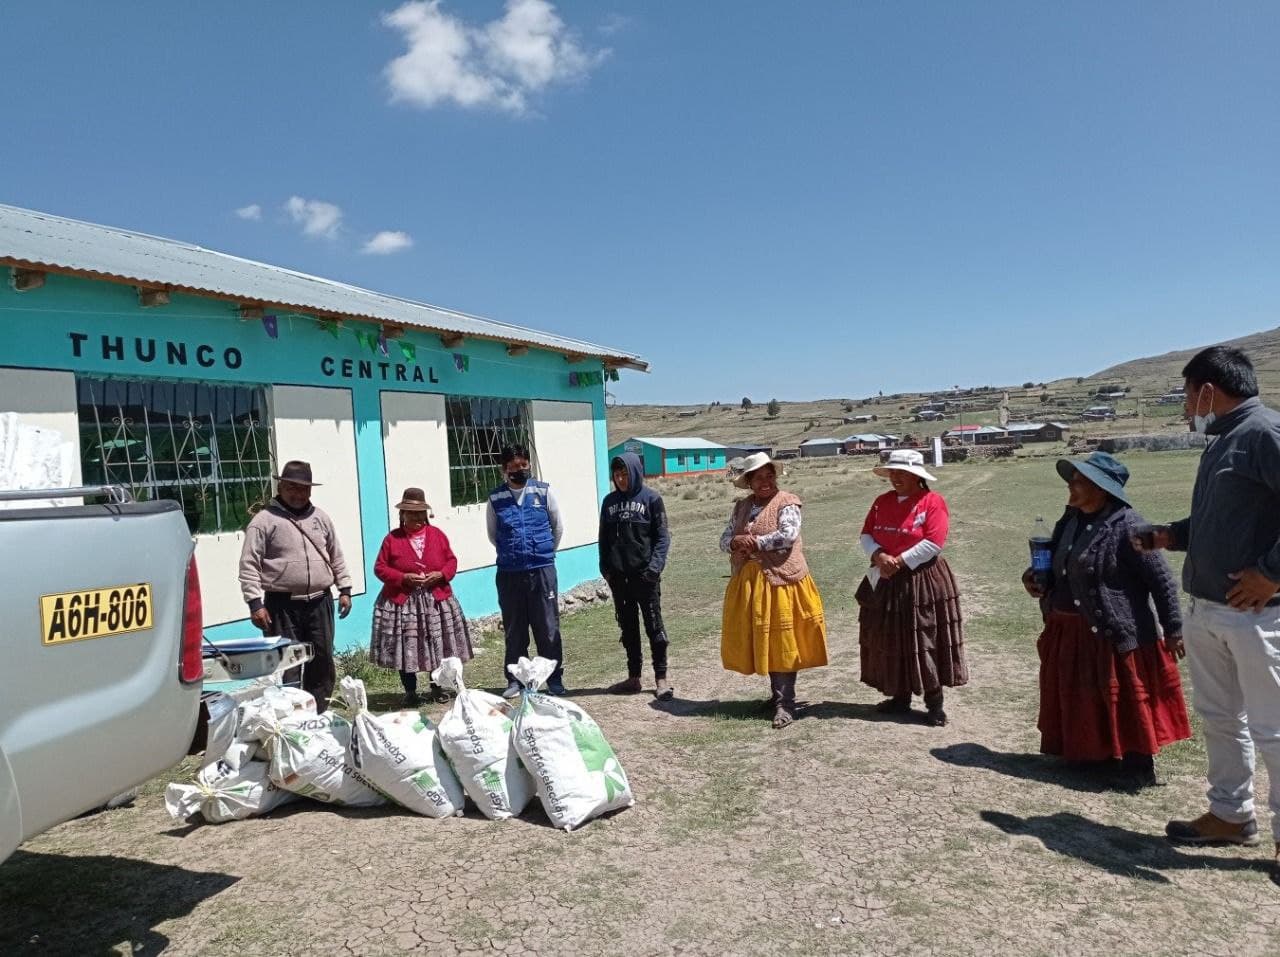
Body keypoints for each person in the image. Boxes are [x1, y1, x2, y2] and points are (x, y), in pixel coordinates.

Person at [1134, 346, 1280, 866]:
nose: (1184, 406)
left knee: (1273, 728)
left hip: (1259, 614)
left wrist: (1270, 573)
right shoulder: (1222, 443)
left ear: (1208, 392)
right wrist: (1169, 536)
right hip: (1210, 609)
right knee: (1222, 718)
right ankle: (1231, 815)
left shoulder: (1264, 433)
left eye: (1186, 394)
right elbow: (1223, 525)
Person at [1021, 452, 1191, 786]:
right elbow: (1055, 562)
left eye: (1079, 481)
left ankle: (1137, 765)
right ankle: (1090, 756)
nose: (1071, 486)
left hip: (1113, 632)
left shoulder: (1129, 526)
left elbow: (1162, 581)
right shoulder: (1069, 520)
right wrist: (1032, 577)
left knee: (1124, 696)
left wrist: (1174, 629)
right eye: (1072, 480)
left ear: (1102, 488)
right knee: (1081, 695)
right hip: (1069, 629)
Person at [855, 449, 966, 727]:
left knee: (924, 638)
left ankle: (934, 703)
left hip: (921, 580)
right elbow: (866, 533)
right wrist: (879, 556)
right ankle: (899, 696)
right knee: (891, 637)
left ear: (917, 476)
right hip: (885, 576)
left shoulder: (932, 502)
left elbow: (933, 542)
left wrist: (900, 561)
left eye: (902, 472)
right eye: (893, 472)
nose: (896, 477)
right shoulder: (882, 502)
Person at [719, 452, 828, 729]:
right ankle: (776, 696)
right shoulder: (742, 507)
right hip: (750, 581)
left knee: (782, 640)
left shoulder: (787, 502)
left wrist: (754, 543)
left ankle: (785, 704)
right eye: (759, 478)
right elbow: (724, 539)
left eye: (769, 476)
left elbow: (788, 535)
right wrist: (734, 543)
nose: (765, 482)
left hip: (781, 580)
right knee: (762, 638)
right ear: (749, 482)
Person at [239, 460, 352, 713]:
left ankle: (318, 711)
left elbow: (336, 555)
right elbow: (249, 565)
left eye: (303, 488)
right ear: (281, 487)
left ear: (310, 490)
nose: (298, 494)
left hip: (320, 601)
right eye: (292, 487)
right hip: (281, 605)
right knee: (285, 662)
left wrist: (344, 589)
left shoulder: (321, 518)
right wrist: (255, 603)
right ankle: (288, 715)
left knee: (321, 659)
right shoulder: (264, 521)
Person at [371, 487, 473, 707]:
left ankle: (436, 685)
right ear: (402, 515)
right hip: (404, 603)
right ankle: (410, 691)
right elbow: (379, 568)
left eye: (420, 513)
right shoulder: (392, 539)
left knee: (436, 644)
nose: (416, 517)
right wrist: (402, 577)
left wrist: (441, 574)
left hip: (435, 601)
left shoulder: (437, 535)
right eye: (411, 513)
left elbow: (451, 561)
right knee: (405, 646)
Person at [487, 444, 567, 698]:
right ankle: (515, 680)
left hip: (542, 571)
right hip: (510, 574)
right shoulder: (496, 499)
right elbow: (493, 535)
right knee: (515, 629)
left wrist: (542, 552)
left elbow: (558, 528)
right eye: (512, 467)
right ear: (504, 470)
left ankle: (553, 678)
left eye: (522, 465)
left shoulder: (543, 492)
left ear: (528, 465)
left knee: (547, 627)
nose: (518, 470)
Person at [599, 452, 673, 699]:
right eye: (617, 475)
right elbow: (603, 539)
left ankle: (661, 679)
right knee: (628, 629)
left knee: (654, 627)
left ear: (634, 471)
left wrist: (654, 569)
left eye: (624, 473)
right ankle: (634, 678)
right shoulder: (609, 502)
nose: (621, 479)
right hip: (620, 579)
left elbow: (662, 537)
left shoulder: (652, 499)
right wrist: (606, 569)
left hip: (645, 577)